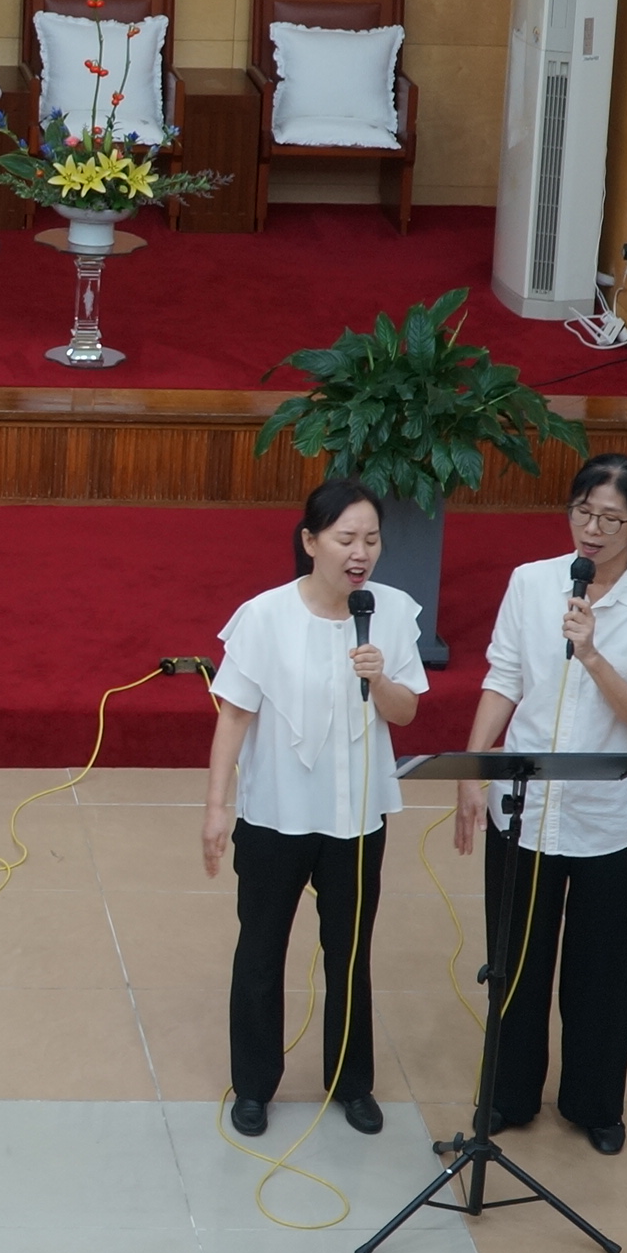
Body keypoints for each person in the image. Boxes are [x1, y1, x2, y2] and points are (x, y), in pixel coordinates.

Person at [453, 453, 627, 1156]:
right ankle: (509, 1093)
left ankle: (594, 1103)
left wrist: (591, 654)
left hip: (608, 819)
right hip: (524, 808)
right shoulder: (532, 582)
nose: (592, 530)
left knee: (601, 971)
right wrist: (474, 767)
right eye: (583, 512)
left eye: (611, 519)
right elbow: (503, 675)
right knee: (514, 961)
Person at [202, 477, 425, 1140]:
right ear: (310, 541)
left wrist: (379, 677)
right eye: (346, 538)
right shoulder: (265, 616)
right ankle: (253, 1086)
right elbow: (234, 715)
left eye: (372, 539)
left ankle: (351, 1084)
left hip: (355, 818)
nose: (361, 553)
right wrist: (216, 807)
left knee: (349, 953)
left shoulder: (391, 612)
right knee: (261, 951)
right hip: (276, 813)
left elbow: (406, 713)